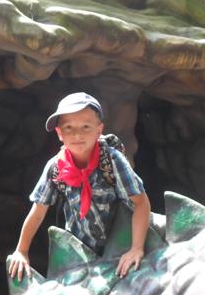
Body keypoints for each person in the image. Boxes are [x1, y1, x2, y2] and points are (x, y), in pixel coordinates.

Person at [8, 92, 151, 281]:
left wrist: (136, 248)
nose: (77, 134)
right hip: (80, 249)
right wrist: (21, 251)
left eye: (86, 126)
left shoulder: (112, 160)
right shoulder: (56, 167)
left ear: (99, 130)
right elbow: (38, 212)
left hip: (120, 243)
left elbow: (141, 203)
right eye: (68, 127)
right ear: (59, 133)